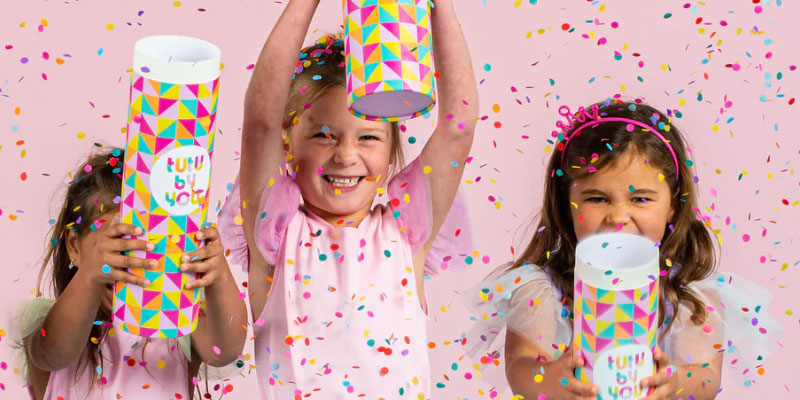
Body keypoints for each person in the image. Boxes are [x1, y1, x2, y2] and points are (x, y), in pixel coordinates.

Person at [216, 0, 478, 397]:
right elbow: (261, 119)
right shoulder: (276, 236)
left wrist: (440, 7)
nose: (346, 154)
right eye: (323, 134)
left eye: (368, 137)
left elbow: (458, 126)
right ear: (289, 143)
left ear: (391, 153)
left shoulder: (407, 235)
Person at [463, 99, 783, 400]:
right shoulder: (542, 290)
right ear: (567, 203)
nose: (617, 217)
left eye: (640, 199)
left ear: (673, 204)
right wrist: (553, 378)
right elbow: (520, 369)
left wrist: (674, 381)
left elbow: (707, 377)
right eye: (597, 198)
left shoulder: (692, 294)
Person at [15, 148, 247, 399]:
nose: (129, 269)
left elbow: (224, 350)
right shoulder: (50, 323)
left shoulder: (180, 323)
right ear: (74, 246)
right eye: (117, 249)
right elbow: (54, 354)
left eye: (147, 252)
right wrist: (91, 277)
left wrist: (220, 276)